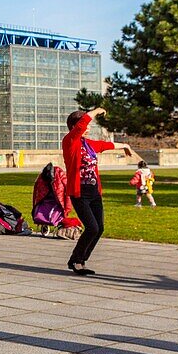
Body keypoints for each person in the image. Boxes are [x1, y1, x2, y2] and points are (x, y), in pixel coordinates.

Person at [61, 108, 133, 276]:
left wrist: (124, 145)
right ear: (74, 127)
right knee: (92, 227)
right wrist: (97, 110)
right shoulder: (70, 142)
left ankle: (81, 260)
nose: (88, 128)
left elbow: (103, 145)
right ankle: (75, 260)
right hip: (80, 193)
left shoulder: (88, 144)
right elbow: (82, 124)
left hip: (94, 192)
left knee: (99, 228)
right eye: (85, 126)